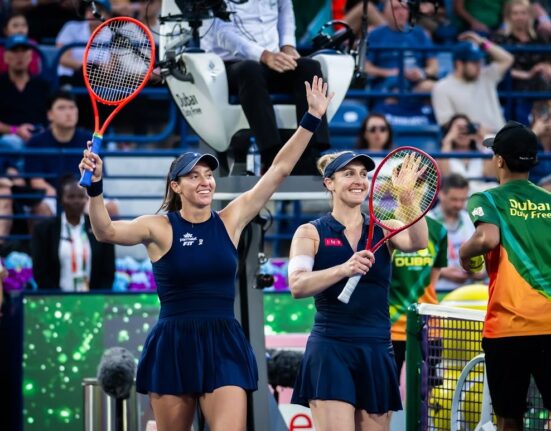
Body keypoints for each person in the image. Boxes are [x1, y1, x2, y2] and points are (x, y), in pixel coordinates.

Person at [79, 76, 333, 430]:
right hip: (174, 343)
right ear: (176, 185)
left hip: (224, 342)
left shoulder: (230, 219)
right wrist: (95, 189)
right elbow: (105, 231)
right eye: (194, 176)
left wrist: (311, 118)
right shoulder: (158, 227)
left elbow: (278, 170)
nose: (205, 181)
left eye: (208, 175)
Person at [288, 150, 429, 430]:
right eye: (349, 174)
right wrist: (344, 269)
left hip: (377, 349)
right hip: (331, 349)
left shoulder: (386, 228)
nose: (359, 180)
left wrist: (407, 198)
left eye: (364, 174)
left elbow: (418, 242)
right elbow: (298, 285)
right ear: (329, 183)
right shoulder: (309, 232)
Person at [459, 120, 551, 431]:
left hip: (508, 328)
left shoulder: (487, 199)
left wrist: (464, 253)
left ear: (499, 160)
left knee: (509, 418)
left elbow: (486, 239)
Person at [201, 0, 330, 174]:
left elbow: (285, 9)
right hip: (230, 63)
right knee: (249, 69)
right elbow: (222, 34)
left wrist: (287, 45)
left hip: (273, 58)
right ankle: (271, 156)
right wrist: (262, 55)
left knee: (310, 67)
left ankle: (312, 154)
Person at [25, 90, 119, 218]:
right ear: (50, 114)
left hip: (83, 195)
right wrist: (64, 197)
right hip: (52, 197)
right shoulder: (36, 142)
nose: (68, 113)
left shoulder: (89, 140)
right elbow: (37, 182)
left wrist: (78, 197)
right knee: (41, 209)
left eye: (72, 107)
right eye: (61, 108)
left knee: (111, 208)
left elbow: (96, 176)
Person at [389, 215, 447, 384]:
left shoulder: (438, 230)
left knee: (427, 388)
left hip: (428, 325)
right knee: (387, 388)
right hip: (392, 325)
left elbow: (432, 281)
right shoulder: (385, 226)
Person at [31, 175, 115, 291]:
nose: (76, 201)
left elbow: (108, 270)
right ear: (61, 200)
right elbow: (40, 271)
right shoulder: (44, 230)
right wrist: (56, 297)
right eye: (71, 197)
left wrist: (97, 297)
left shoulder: (99, 227)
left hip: (93, 298)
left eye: (81, 196)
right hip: (56, 298)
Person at [431, 31, 514, 133]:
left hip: (502, 137)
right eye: (474, 62)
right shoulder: (442, 87)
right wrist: (476, 129)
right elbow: (446, 123)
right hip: (473, 140)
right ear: (459, 64)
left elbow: (507, 59)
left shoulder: (486, 76)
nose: (479, 66)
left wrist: (482, 42)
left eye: (480, 62)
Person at [364, 0, 439, 94]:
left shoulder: (419, 34)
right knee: (396, 88)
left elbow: (434, 66)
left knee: (435, 89)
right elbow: (366, 68)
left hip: (416, 83)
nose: (401, 12)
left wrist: (421, 73)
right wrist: (390, 72)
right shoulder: (375, 35)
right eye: (395, 9)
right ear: (385, 12)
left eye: (404, 8)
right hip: (387, 83)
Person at [429, 174, 487, 293]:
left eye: (463, 199)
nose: (459, 205)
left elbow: (485, 258)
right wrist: (442, 272)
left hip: (470, 291)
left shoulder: (471, 220)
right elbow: (415, 263)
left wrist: (478, 271)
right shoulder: (427, 221)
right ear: (441, 194)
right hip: (439, 290)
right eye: (454, 199)